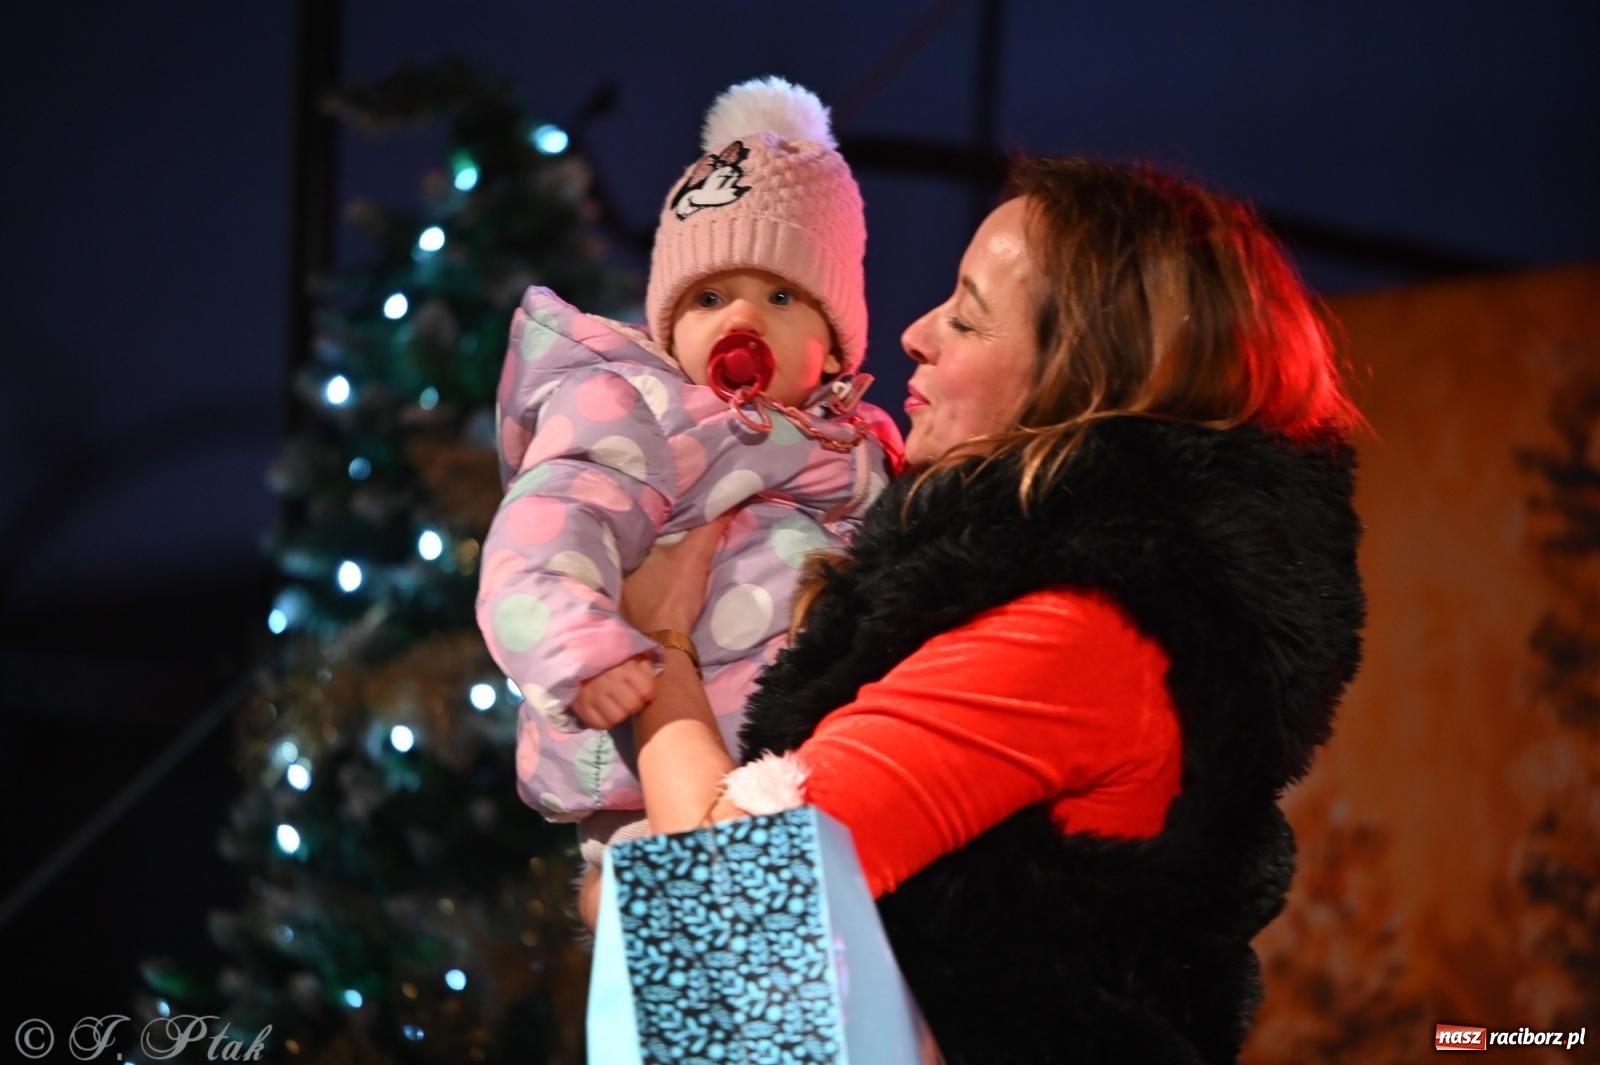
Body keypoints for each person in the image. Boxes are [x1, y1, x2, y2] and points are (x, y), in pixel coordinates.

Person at [598, 157, 1366, 1064]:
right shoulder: (1076, 606)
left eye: (965, 315)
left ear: (1083, 376)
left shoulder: (1074, 631)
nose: (917, 333)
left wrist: (659, 647)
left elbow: (723, 922)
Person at [476, 77, 900, 867]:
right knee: (693, 953)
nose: (741, 318)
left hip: (789, 777)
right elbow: (540, 534)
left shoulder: (865, 446)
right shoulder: (636, 409)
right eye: (709, 295)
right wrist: (584, 649)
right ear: (670, 327)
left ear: (838, 346)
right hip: (650, 777)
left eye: (780, 293)